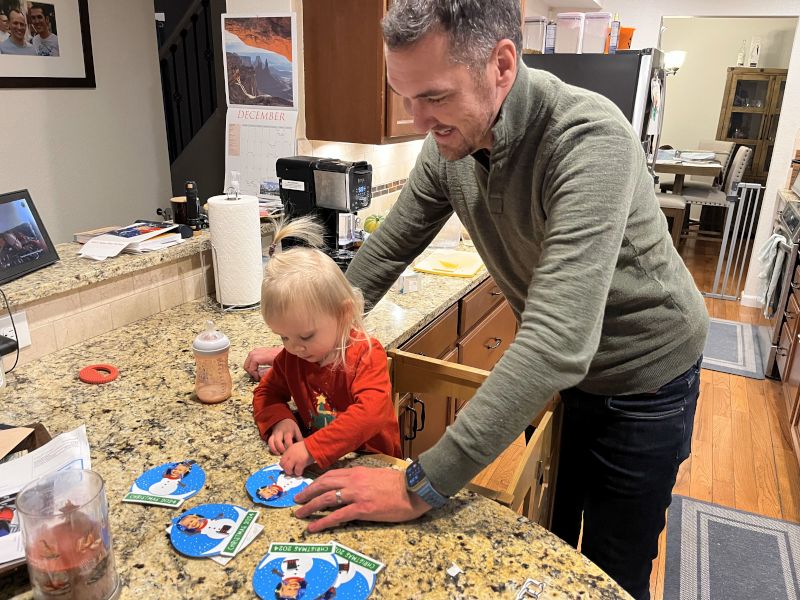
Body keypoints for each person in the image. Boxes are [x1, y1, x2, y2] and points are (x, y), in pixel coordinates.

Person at [248, 2, 710, 599]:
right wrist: (313, 330)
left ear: (501, 65)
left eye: (434, 97)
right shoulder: (451, 144)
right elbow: (386, 252)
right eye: (405, 97)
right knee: (553, 542)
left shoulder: (589, 138)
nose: (417, 120)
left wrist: (420, 484)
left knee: (610, 572)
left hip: (646, 377)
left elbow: (555, 340)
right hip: (567, 380)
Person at [252, 216, 402, 477]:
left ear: (343, 314)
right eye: (283, 337)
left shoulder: (366, 353)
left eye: (306, 336)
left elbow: (371, 412)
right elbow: (267, 392)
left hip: (376, 466)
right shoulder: (292, 357)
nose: (294, 348)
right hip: (324, 465)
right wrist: (280, 419)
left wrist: (312, 448)